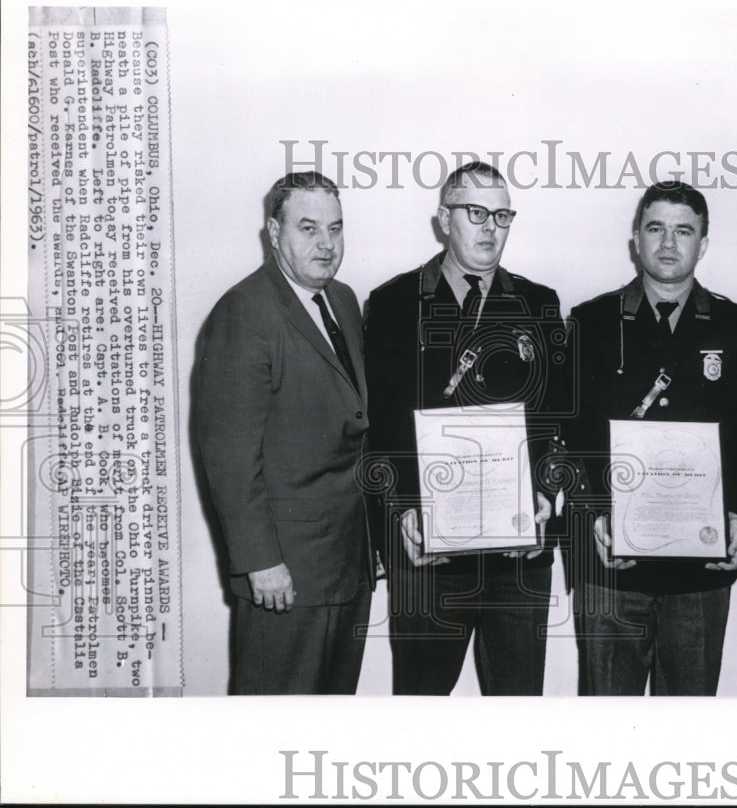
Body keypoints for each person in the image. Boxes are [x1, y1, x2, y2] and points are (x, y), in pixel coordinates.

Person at [364, 162, 568, 695]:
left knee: (517, 710)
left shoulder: (539, 303)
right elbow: (379, 427)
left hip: (517, 553)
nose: (489, 227)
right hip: (428, 550)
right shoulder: (391, 303)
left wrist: (547, 494)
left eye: (502, 215)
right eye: (475, 212)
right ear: (443, 219)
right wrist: (403, 508)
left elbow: (554, 422)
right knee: (421, 712)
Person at [566, 181, 737, 695]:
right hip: (612, 562)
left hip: (698, 570)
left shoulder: (736, 324)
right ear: (636, 238)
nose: (668, 243)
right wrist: (593, 511)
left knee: (690, 727)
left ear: (703, 244)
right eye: (655, 228)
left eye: (685, 231)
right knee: (608, 729)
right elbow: (566, 434)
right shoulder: (591, 322)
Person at [195, 171, 374, 694]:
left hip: (347, 564)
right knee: (273, 731)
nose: (326, 244)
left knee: (327, 731)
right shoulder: (244, 311)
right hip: (286, 575)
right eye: (308, 228)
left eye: (336, 229)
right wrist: (260, 563)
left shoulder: (342, 300)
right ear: (274, 234)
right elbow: (229, 456)